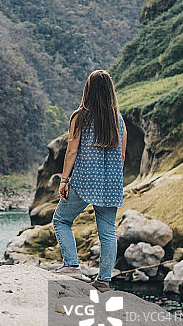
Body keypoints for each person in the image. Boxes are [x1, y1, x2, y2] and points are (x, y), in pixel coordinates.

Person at [51, 69, 126, 291]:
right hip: (110, 182)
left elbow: (71, 152)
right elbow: (121, 156)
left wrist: (64, 180)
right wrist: (112, 181)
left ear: (88, 89)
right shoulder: (119, 120)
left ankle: (72, 265)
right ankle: (103, 280)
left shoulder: (80, 116)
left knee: (61, 220)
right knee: (108, 233)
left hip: (84, 180)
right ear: (110, 91)